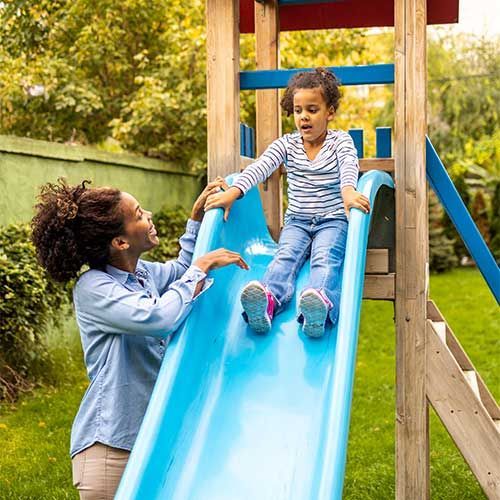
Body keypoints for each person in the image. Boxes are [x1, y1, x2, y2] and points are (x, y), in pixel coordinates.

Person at [31, 177, 248, 500]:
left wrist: (196, 221)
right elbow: (159, 316)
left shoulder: (141, 275)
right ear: (120, 242)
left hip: (148, 439)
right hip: (111, 449)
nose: (148, 215)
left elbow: (180, 272)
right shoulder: (94, 288)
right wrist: (201, 267)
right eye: (138, 214)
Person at [205, 68, 370, 338]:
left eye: (313, 109)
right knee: (284, 259)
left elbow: (349, 166)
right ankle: (267, 301)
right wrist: (233, 193)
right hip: (297, 222)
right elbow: (260, 168)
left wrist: (349, 192)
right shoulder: (287, 145)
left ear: (330, 112)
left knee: (326, 259)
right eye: (298, 110)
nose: (304, 116)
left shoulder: (341, 142)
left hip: (333, 220)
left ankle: (320, 306)